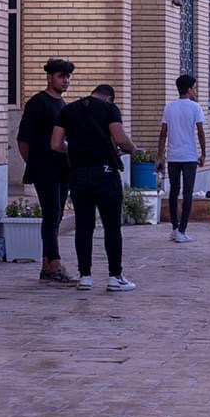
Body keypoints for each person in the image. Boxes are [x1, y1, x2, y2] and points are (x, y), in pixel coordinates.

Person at [50, 83, 138, 290]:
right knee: (112, 226)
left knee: (83, 226)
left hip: (78, 174)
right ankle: (115, 277)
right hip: (105, 173)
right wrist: (132, 148)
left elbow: (55, 144)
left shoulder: (68, 110)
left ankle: (85, 277)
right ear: (109, 98)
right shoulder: (109, 109)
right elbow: (120, 138)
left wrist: (75, 150)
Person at [16, 59, 77, 285]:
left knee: (56, 216)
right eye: (61, 76)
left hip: (63, 168)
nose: (65, 81)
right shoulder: (38, 103)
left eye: (68, 77)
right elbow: (23, 139)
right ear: (49, 78)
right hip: (45, 168)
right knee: (51, 215)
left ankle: (46, 266)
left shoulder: (62, 104)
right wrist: (33, 164)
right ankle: (55, 265)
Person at [156, 73, 207, 242]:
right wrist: (203, 153)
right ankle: (182, 230)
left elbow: (163, 134)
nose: (196, 91)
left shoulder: (169, 107)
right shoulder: (195, 107)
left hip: (173, 156)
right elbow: (200, 132)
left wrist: (160, 157)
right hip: (189, 155)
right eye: (195, 88)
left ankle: (174, 227)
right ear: (189, 89)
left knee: (174, 191)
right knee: (187, 192)